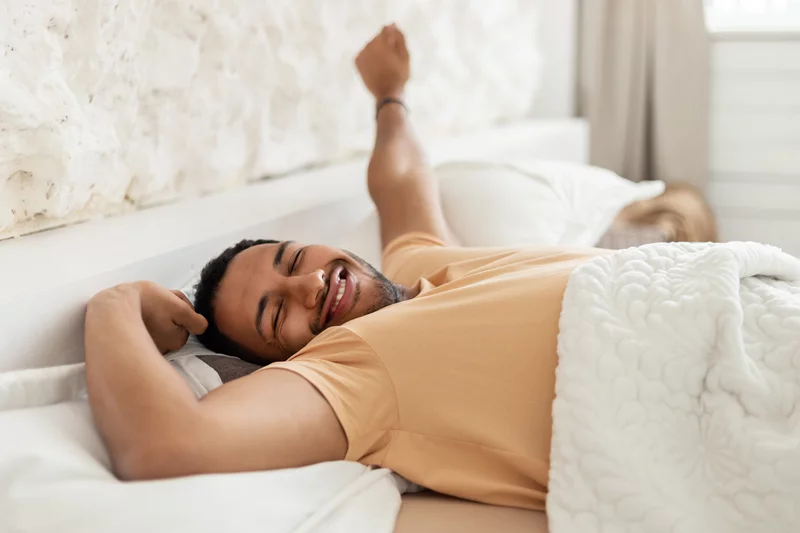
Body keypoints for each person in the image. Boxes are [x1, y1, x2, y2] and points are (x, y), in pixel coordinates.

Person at [84, 24, 611, 511]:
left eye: (293, 260)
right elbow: (167, 447)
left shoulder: (421, 265)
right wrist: (117, 303)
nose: (309, 284)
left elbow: (402, 180)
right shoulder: (346, 372)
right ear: (282, 363)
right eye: (275, 315)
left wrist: (389, 94)